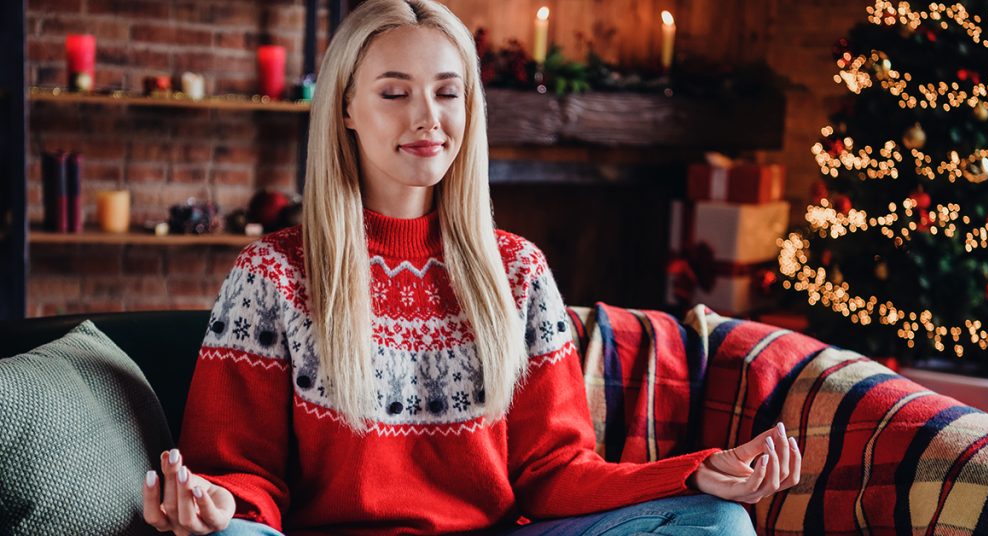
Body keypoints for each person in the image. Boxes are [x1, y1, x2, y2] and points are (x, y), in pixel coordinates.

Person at [141, 1, 801, 534]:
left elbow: (554, 470)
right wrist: (219, 505)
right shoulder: (273, 274)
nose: (428, 118)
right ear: (345, 108)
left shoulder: (517, 270)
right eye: (395, 93)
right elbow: (239, 471)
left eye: (447, 93)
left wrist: (693, 473)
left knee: (715, 521)